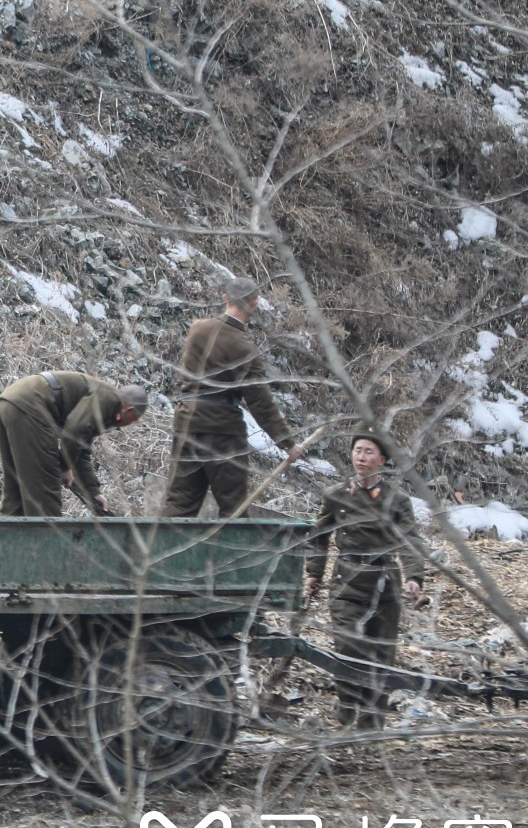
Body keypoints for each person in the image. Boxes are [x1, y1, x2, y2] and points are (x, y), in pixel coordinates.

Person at [305, 427, 426, 729]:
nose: (361, 457)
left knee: (382, 652)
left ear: (382, 460)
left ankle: (372, 723)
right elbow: (319, 537)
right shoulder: (335, 495)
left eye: (368, 451)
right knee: (347, 647)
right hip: (346, 582)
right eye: (358, 450)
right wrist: (313, 573)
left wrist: (414, 577)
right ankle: (346, 711)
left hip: (385, 582)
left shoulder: (397, 500)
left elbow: (410, 540)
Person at [161, 277, 302, 517]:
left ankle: (158, 553)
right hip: (222, 431)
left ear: (225, 298)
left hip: (185, 423)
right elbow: (260, 402)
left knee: (179, 504)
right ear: (254, 304)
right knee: (233, 509)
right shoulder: (243, 347)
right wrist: (286, 442)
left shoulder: (198, 328)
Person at [0, 371, 147, 516]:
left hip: (11, 401)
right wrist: (65, 467)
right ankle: (47, 540)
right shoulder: (108, 399)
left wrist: (93, 492)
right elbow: (74, 431)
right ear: (129, 410)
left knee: (15, 492)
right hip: (32, 405)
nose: (127, 425)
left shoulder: (106, 405)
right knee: (45, 493)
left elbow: (81, 449)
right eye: (134, 420)